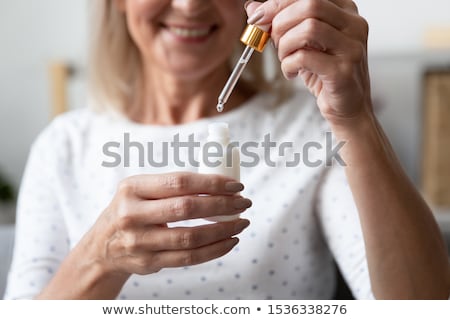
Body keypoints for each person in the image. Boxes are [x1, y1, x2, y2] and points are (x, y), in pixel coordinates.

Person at [5, 0, 449, 300]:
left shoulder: (312, 126)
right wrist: (100, 259)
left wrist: (355, 119)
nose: (189, 5)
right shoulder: (63, 146)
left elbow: (422, 304)